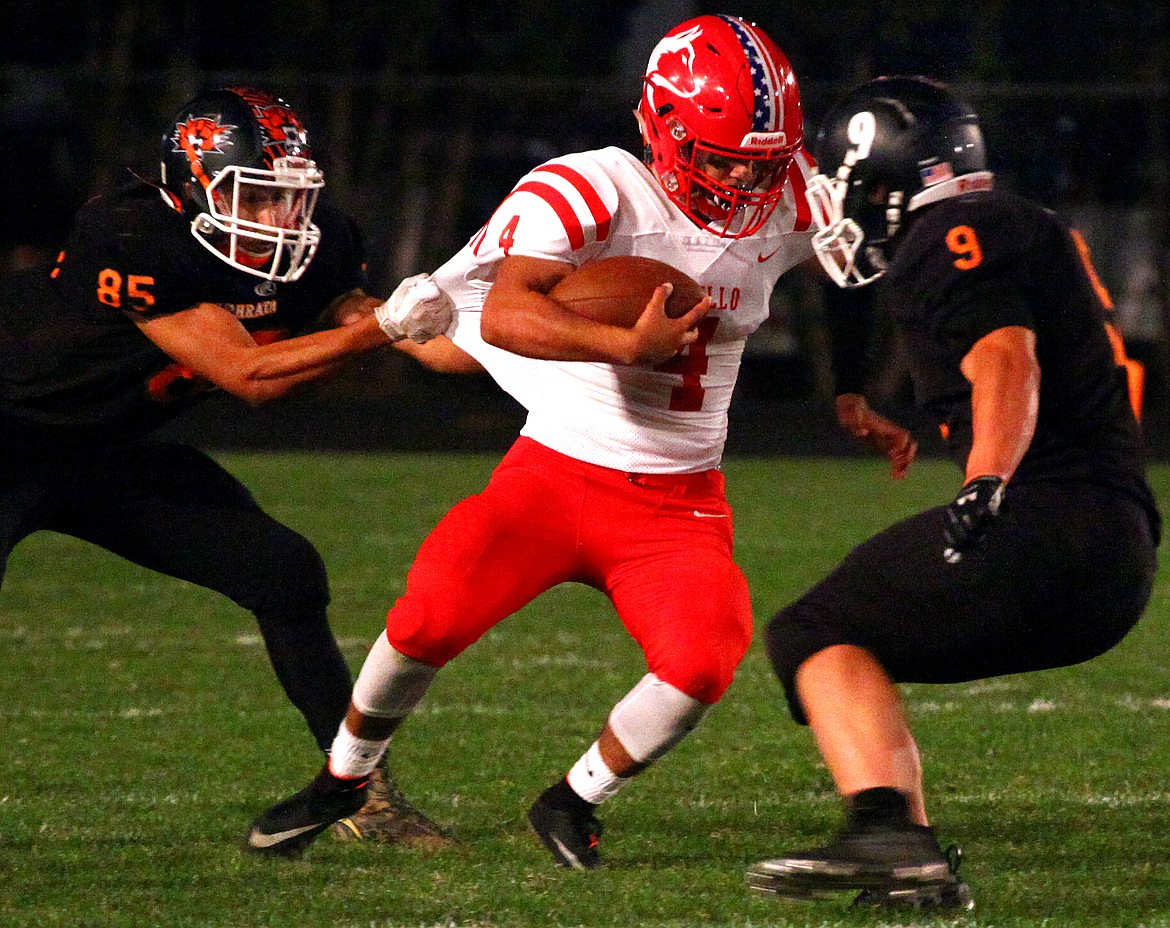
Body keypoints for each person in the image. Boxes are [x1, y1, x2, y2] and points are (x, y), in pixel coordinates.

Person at [246, 14, 821, 865]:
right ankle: (344, 777)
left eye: (759, 160)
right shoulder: (593, 188)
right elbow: (512, 311)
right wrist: (624, 346)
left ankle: (572, 799)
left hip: (677, 500)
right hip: (552, 475)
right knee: (427, 617)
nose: (740, 177)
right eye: (719, 154)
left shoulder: (800, 196)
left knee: (706, 659)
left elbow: (875, 267)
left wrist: (858, 394)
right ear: (659, 125)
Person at [0, 86, 470, 846]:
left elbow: (361, 348)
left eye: (291, 198)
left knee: (283, 571)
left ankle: (361, 794)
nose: (283, 220)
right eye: (258, 198)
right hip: (10, 440)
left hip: (105, 454)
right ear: (189, 188)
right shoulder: (130, 231)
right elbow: (248, 374)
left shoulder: (320, 244)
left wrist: (504, 337)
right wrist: (382, 328)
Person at [746, 76, 1160, 910]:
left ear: (887, 174)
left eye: (845, 181)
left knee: (813, 631)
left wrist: (986, 482)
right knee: (852, 635)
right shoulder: (1016, 225)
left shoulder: (950, 234)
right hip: (1116, 550)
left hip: (1046, 521)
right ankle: (911, 869)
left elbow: (1007, 358)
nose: (837, 204)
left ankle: (889, 832)